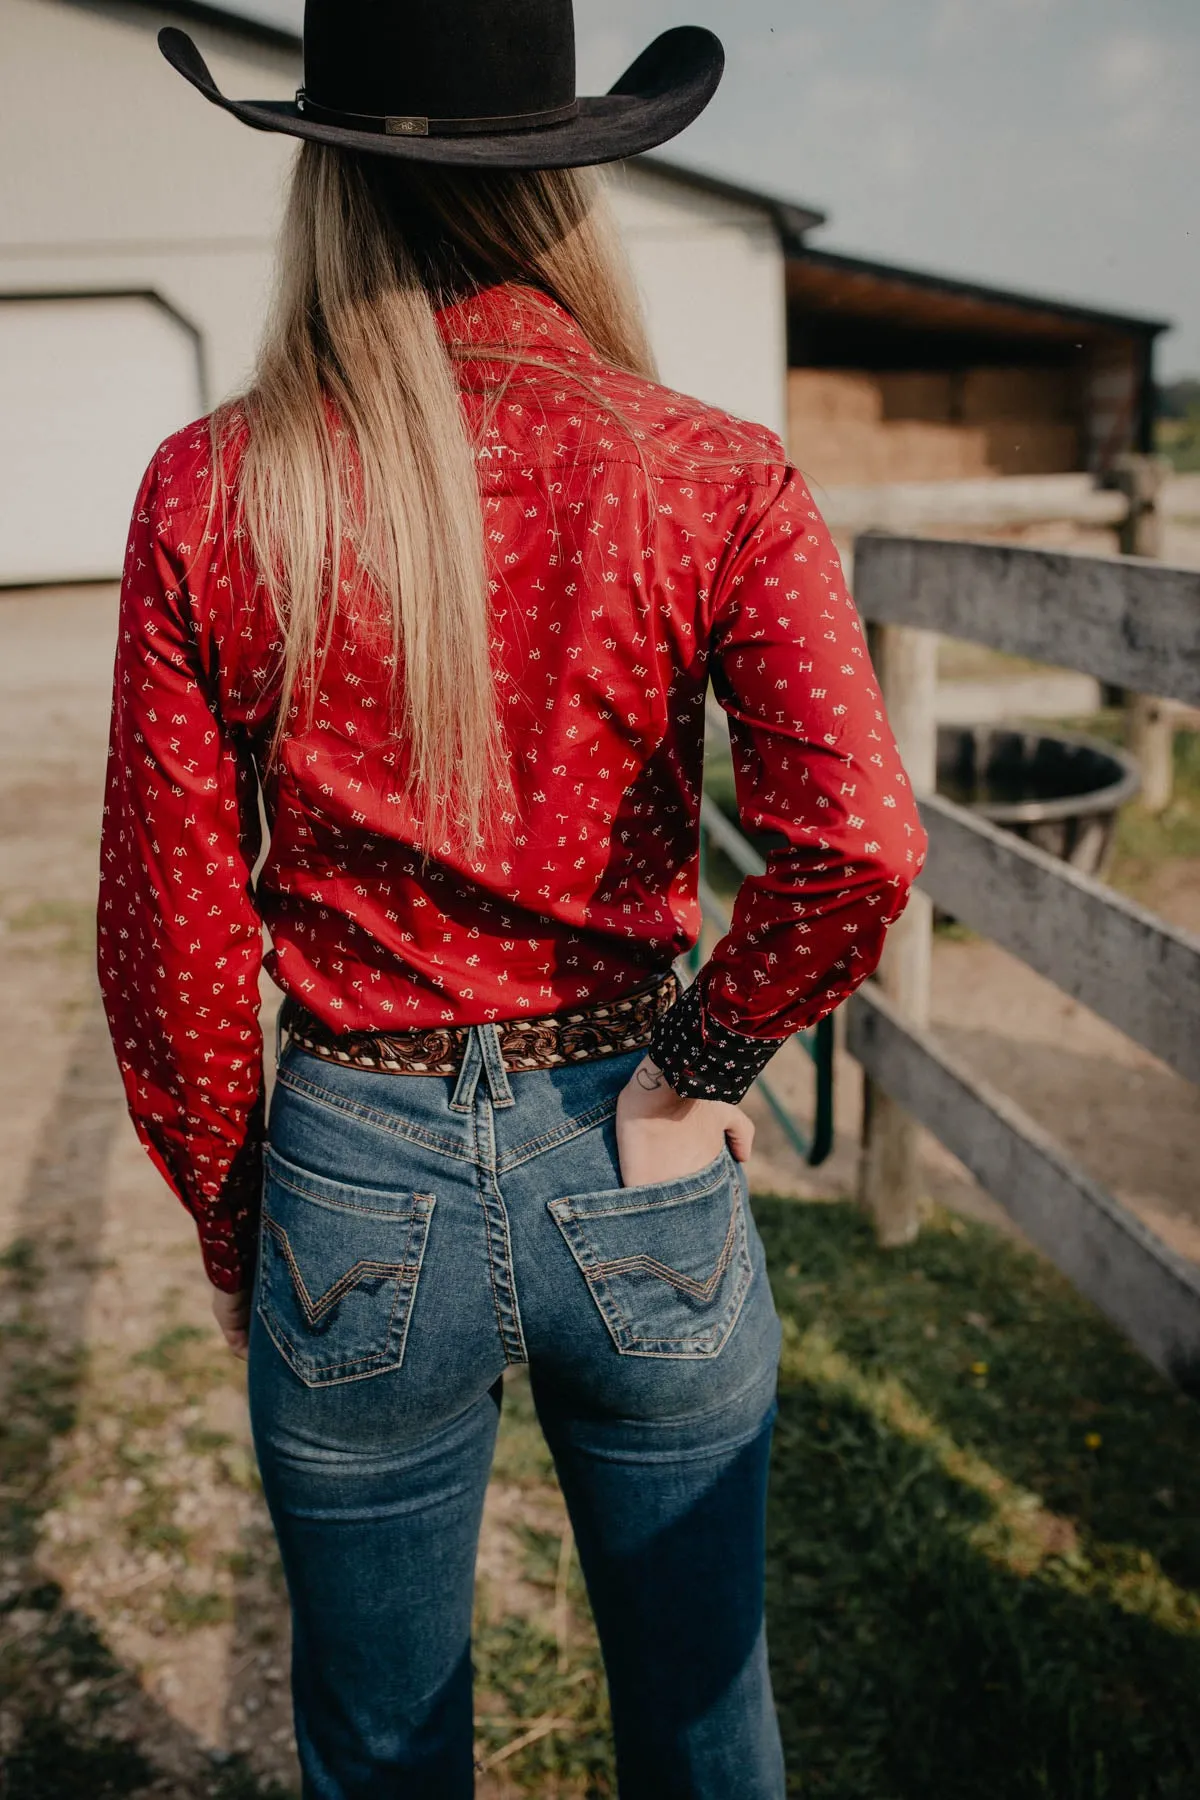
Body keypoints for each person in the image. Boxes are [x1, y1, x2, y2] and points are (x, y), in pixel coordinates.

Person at [98, 3, 926, 1794]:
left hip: (352, 1171)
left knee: (383, 1747)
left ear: (326, 182)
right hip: (635, 1149)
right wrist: (702, 1072)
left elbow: (170, 937)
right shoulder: (709, 469)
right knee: (708, 1725)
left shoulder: (214, 488)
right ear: (569, 184)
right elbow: (858, 842)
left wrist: (244, 1219)